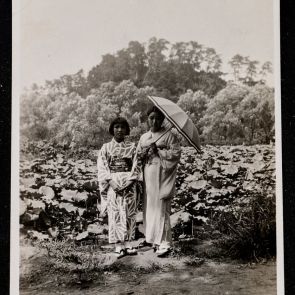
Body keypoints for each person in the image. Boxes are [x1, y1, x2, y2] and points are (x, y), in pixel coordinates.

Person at [135, 106, 181, 257]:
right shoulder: (144, 137)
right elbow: (137, 157)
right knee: (149, 207)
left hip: (162, 175)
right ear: (147, 119)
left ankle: (165, 243)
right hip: (148, 175)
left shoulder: (170, 136)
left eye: (158, 118)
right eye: (151, 118)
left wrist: (159, 151)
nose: (154, 121)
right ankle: (151, 238)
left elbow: (175, 154)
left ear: (162, 120)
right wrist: (143, 154)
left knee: (161, 208)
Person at [97, 117, 140, 258]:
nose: (120, 130)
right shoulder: (106, 148)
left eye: (122, 127)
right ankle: (118, 245)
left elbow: (136, 166)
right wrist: (113, 183)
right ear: (112, 129)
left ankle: (128, 243)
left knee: (129, 213)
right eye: (116, 127)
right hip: (113, 184)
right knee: (115, 213)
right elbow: (102, 167)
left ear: (127, 130)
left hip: (129, 184)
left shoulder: (133, 147)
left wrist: (130, 182)